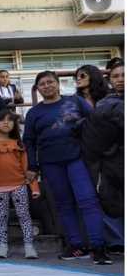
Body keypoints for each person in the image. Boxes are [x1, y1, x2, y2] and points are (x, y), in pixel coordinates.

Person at [23, 71, 112, 265]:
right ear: (38, 89)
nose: (47, 86)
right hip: (50, 163)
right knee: (64, 205)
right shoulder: (33, 113)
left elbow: (95, 123)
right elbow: (29, 142)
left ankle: (99, 247)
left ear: (58, 84)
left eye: (50, 82)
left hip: (77, 159)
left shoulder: (74, 101)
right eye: (42, 84)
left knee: (88, 201)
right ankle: (76, 245)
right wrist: (32, 165)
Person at [0, 110, 40, 259]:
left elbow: (27, 168)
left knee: (24, 215)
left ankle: (29, 245)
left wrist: (34, 187)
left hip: (19, 185)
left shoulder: (19, 144)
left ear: (15, 124)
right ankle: (3, 245)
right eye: (1, 120)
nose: (6, 122)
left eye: (9, 120)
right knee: (1, 217)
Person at [82, 58, 124, 254]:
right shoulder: (106, 103)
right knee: (111, 200)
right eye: (116, 76)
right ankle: (118, 242)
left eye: (124, 75)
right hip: (113, 159)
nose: (121, 79)